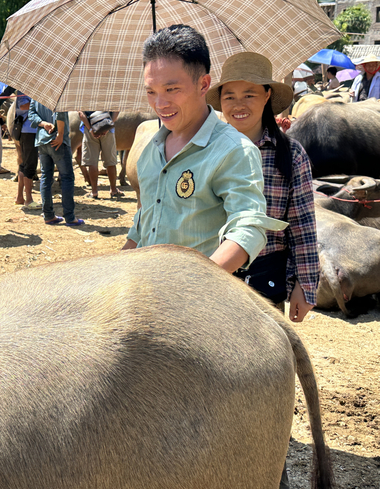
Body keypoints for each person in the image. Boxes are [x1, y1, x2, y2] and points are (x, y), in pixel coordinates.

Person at [121, 25, 286, 276]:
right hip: (144, 292)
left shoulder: (234, 151)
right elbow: (143, 223)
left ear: (203, 84)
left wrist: (198, 283)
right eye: (151, 92)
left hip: (195, 303)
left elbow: (248, 228)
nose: (160, 104)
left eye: (171, 89)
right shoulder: (151, 149)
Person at [207, 52, 319, 319]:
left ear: (267, 96)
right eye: (229, 96)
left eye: (249, 94)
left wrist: (305, 285)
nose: (238, 104)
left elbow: (302, 226)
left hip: (264, 279)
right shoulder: (203, 151)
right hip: (208, 275)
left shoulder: (290, 154)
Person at [28, 100, 84, 226]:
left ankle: (48, 216)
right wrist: (60, 134)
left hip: (42, 140)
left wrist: (43, 124)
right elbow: (60, 114)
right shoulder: (59, 92)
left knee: (46, 177)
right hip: (58, 141)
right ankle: (70, 217)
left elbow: (31, 114)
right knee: (67, 177)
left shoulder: (36, 95)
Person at [78, 110, 123, 199]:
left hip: (90, 128)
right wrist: (108, 126)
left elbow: (81, 114)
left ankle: (94, 192)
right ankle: (113, 190)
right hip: (108, 130)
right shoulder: (109, 95)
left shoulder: (83, 96)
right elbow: (116, 111)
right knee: (111, 161)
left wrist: (91, 130)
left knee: (92, 162)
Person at [14, 93, 40, 209]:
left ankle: (20, 197)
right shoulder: (23, 91)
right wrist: (40, 102)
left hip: (30, 131)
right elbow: (23, 106)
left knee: (24, 164)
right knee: (30, 165)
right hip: (29, 131)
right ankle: (29, 200)